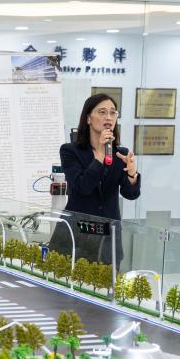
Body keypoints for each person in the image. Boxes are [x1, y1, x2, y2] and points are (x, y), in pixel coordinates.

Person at [49, 93, 141, 267]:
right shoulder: (70, 151)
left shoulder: (120, 153)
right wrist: (99, 155)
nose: (109, 117)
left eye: (113, 112)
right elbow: (82, 186)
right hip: (76, 235)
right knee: (67, 281)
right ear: (88, 118)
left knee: (107, 283)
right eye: (102, 112)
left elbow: (131, 194)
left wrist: (131, 173)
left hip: (108, 238)